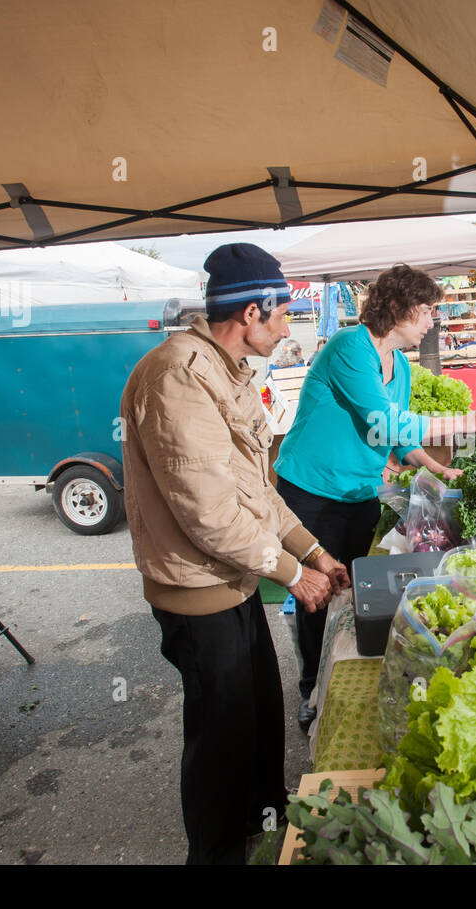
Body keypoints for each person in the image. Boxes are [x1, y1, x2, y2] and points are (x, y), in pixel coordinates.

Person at [120, 242, 350, 865]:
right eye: (280, 315)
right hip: (198, 593)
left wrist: (315, 552)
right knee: (221, 741)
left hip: (235, 583)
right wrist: (292, 575)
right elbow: (210, 515)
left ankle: (264, 833)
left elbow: (256, 491)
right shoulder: (178, 377)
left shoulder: (226, 370)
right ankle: (217, 854)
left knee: (257, 721)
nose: (286, 328)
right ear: (250, 313)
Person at [275, 264, 476, 730]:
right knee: (319, 593)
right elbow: (383, 421)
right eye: (426, 311)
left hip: (360, 492)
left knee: (351, 586)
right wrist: (470, 421)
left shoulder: (400, 365)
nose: (431, 323)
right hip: (311, 492)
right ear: (399, 307)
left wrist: (438, 467)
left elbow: (399, 439)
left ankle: (337, 672)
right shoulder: (350, 348)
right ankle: (311, 691)